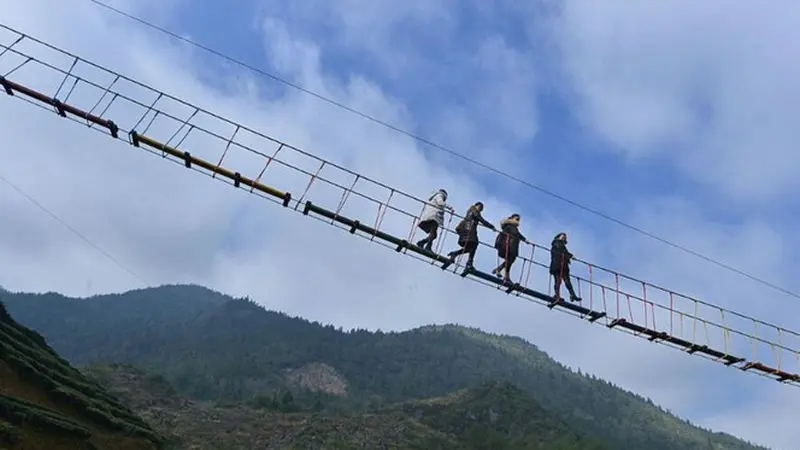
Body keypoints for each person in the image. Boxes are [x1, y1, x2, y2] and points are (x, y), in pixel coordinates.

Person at [447, 202, 495, 269]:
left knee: (470, 248)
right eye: (480, 208)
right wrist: (491, 226)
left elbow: (458, 228)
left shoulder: (468, 213)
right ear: (476, 206)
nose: (481, 210)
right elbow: (481, 220)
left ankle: (455, 254)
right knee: (474, 244)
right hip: (470, 230)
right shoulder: (474, 210)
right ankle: (469, 262)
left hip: (465, 230)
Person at [491, 214, 530, 282]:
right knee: (510, 260)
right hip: (509, 246)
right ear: (512, 219)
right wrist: (525, 239)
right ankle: (505, 275)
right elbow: (515, 234)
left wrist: (524, 239)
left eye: (518, 219)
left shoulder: (512, 227)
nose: (518, 221)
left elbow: (518, 234)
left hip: (510, 246)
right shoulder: (510, 226)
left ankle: (501, 271)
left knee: (510, 260)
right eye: (516, 219)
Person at [550, 232, 582, 302]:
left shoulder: (561, 245)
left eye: (565, 237)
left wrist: (569, 256)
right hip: (557, 265)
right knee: (558, 281)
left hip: (563, 266)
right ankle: (557, 295)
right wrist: (570, 256)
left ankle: (572, 295)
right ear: (558, 237)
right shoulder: (557, 243)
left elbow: (563, 252)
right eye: (563, 236)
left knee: (567, 281)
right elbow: (561, 250)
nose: (564, 237)